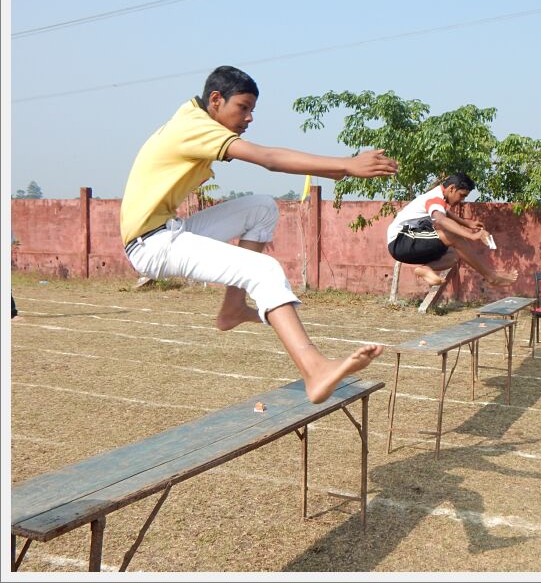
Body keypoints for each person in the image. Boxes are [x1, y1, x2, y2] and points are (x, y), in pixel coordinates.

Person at [120, 65, 398, 404]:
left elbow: (269, 158)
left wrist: (338, 170)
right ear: (216, 100)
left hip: (167, 229)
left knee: (262, 208)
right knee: (264, 270)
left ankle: (233, 308)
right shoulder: (193, 127)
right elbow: (268, 158)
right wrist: (345, 164)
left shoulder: (194, 118)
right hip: (151, 244)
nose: (249, 118)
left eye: (251, 109)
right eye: (243, 108)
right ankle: (315, 370)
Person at [386, 172, 518, 287]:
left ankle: (426, 269)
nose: (462, 200)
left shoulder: (438, 197)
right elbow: (441, 219)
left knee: (453, 255)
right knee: (453, 237)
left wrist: (466, 223)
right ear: (452, 188)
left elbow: (445, 213)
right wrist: (472, 235)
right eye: (462, 195)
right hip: (401, 240)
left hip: (405, 247)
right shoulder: (435, 198)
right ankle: (491, 277)